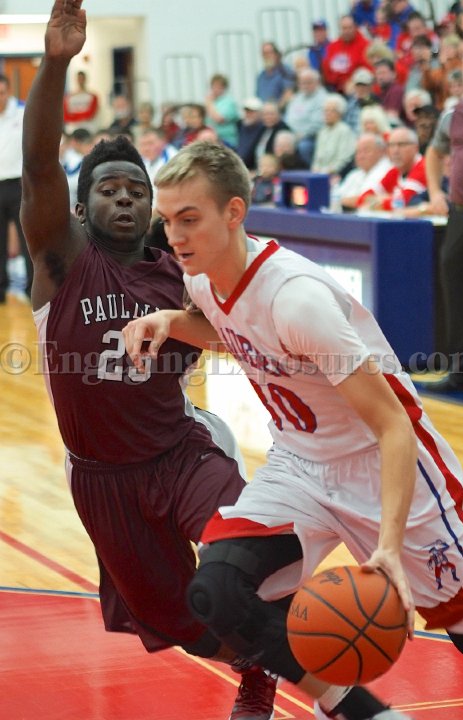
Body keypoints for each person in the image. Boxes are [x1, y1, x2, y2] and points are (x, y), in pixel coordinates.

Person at [124, 139, 463, 720]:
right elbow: (236, 332)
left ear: (234, 212)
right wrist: (170, 320)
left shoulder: (297, 299)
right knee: (218, 591)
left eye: (189, 219)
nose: (175, 237)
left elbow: (393, 425)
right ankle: (363, 712)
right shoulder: (203, 280)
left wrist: (388, 548)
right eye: (167, 221)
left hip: (382, 462)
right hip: (301, 465)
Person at [19, 4, 278, 720]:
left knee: (240, 554)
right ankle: (252, 657)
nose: (126, 198)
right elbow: (37, 166)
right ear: (80, 209)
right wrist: (55, 62)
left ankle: (278, 663)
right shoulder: (63, 263)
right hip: (103, 478)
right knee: (180, 621)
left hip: (180, 451)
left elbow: (238, 331)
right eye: (110, 189)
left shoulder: (181, 273)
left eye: (138, 190)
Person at [425, 44, 463, 394]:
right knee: (458, 295)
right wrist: (434, 191)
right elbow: (434, 151)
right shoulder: (453, 115)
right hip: (461, 216)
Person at [0, 73, 33, 302]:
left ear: (9, 91)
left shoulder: (23, 111)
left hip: (20, 183)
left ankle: (33, 289)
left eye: (1, 93)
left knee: (28, 239)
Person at [357, 126, 427, 210]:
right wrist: (389, 199)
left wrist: (381, 200)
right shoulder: (395, 171)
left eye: (401, 145)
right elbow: (361, 199)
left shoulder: (423, 167)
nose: (395, 151)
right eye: (391, 145)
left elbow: (403, 202)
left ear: (415, 148)